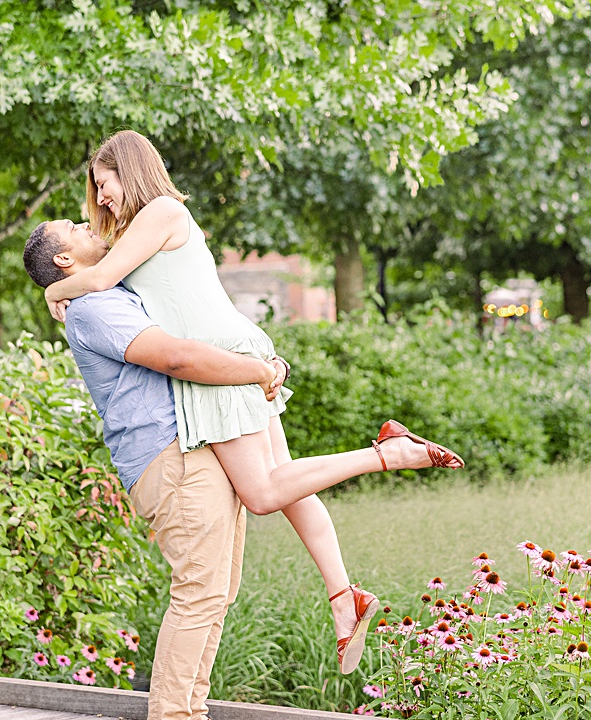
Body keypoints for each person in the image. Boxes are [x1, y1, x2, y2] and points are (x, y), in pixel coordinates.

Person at [42, 130, 464, 675]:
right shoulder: (137, 229)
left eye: (105, 184)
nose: (100, 199)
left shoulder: (162, 211)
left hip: (219, 363)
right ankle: (345, 599)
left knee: (262, 492)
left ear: (132, 170)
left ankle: (386, 453)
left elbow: (94, 277)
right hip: (233, 348)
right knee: (287, 482)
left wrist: (54, 291)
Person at [23, 218, 286, 720]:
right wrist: (256, 371)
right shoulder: (98, 308)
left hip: (191, 443)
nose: (85, 221)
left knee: (218, 586)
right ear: (65, 259)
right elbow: (175, 358)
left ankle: (191, 717)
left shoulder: (107, 291)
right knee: (199, 588)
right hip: (170, 454)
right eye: (71, 227)